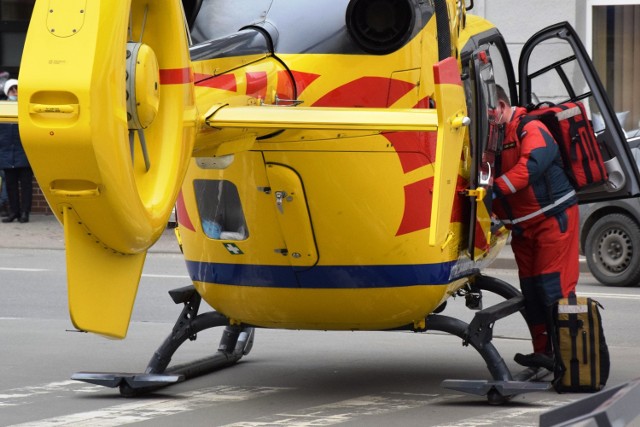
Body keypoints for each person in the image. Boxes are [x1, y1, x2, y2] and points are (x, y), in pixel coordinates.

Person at [492, 85, 579, 371]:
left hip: (552, 220)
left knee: (553, 289)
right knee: (532, 293)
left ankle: (571, 360)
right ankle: (544, 354)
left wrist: (494, 190)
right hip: (523, 229)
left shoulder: (531, 128)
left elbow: (529, 168)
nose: (487, 118)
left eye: (490, 111)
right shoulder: (496, 137)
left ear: (503, 105)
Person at [0, 79, 33, 223]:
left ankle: (25, 212)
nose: (15, 92)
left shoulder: (25, 108)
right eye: (12, 90)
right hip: (7, 154)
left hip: (24, 154)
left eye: (17, 89)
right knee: (11, 186)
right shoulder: (2, 108)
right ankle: (14, 212)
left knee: (26, 186)